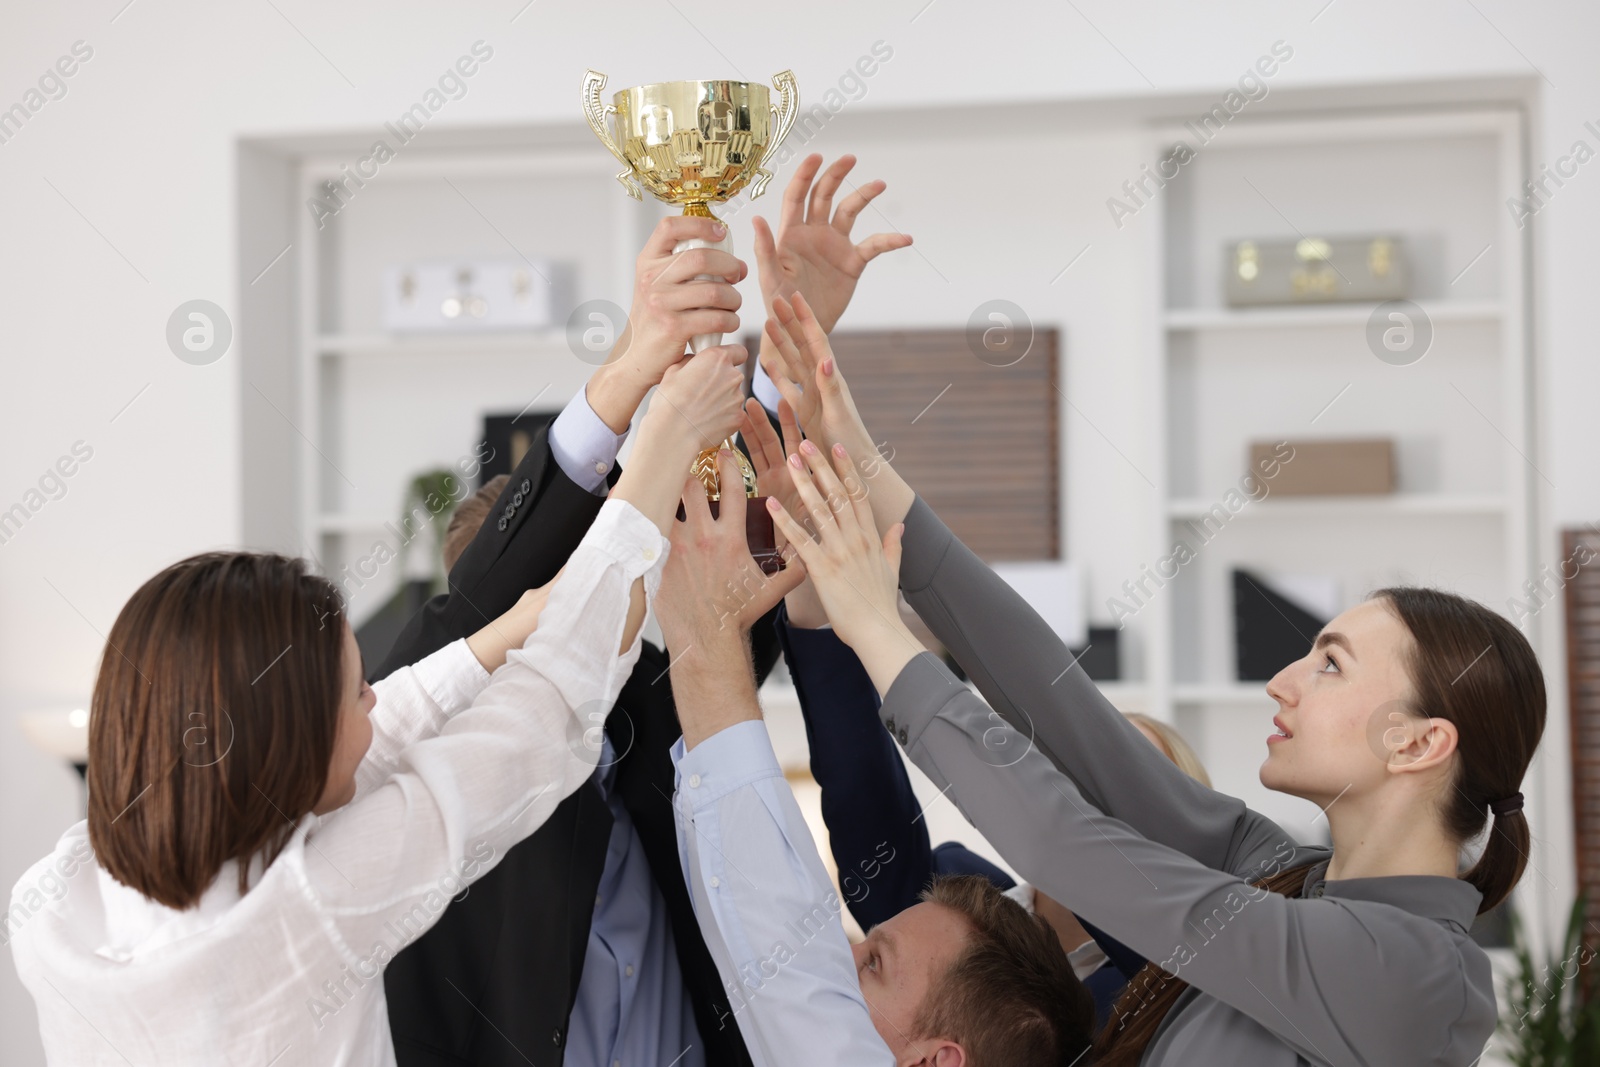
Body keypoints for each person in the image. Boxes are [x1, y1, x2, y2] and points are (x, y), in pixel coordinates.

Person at [759, 290, 1547, 1065]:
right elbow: (1068, 714)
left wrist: (875, 626)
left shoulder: (1413, 972)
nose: (1283, 680)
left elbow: (1070, 849)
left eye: (1330, 664)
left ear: (1418, 743)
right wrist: (857, 459)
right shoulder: (1287, 878)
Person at [6, 339, 748, 1065]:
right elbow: (540, 718)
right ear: (288, 748)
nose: (378, 696)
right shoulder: (311, 910)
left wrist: (517, 624)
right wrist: (665, 441)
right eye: (354, 691)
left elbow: (396, 713)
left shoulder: (53, 895)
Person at [374, 154, 914, 1067]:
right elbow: (471, 613)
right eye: (536, 603)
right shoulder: (409, 801)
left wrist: (793, 343)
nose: (566, 617)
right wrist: (634, 378)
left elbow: (734, 586)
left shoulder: (651, 727)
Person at [652, 452, 1096, 1067]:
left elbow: (783, 951)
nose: (839, 952)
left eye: (873, 962)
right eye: (869, 953)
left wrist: (706, 632)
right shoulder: (954, 930)